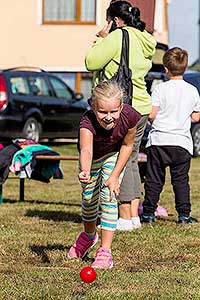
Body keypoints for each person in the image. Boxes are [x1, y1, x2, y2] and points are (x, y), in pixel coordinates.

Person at [85, 1, 156, 231]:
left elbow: (90, 62)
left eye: (108, 20)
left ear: (115, 20)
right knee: (132, 157)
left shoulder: (117, 36)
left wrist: (102, 38)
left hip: (122, 106)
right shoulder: (145, 38)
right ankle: (133, 214)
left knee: (120, 158)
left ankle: (124, 216)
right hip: (142, 105)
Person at [68, 81, 141, 269]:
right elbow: (86, 150)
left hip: (114, 156)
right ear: (93, 108)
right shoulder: (87, 121)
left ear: (121, 107)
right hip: (92, 159)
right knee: (88, 199)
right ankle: (89, 236)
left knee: (108, 196)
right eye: (103, 112)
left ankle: (105, 252)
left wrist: (114, 176)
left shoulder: (130, 117)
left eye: (113, 112)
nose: (108, 117)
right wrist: (85, 170)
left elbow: (127, 146)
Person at [142, 47, 200, 224]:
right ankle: (183, 215)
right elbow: (196, 116)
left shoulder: (160, 89)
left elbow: (151, 114)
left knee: (154, 179)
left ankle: (148, 213)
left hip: (159, 140)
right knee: (181, 180)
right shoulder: (192, 91)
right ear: (184, 67)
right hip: (181, 143)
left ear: (166, 69)